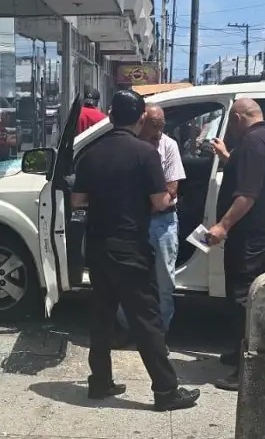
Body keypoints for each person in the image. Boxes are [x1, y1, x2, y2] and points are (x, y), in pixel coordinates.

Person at [71, 90, 200, 412]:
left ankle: (99, 382)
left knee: (102, 316)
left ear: (110, 114)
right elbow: (160, 201)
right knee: (147, 320)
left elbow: (77, 202)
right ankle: (166, 391)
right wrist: (170, 200)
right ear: (141, 117)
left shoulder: (90, 153)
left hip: (98, 245)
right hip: (130, 248)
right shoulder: (145, 153)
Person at [206, 98, 265, 392]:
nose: (231, 127)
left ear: (240, 117)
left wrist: (222, 225)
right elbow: (256, 176)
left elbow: (248, 194)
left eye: (231, 121)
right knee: (253, 296)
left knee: (244, 300)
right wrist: (228, 157)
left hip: (253, 236)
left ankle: (247, 370)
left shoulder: (254, 143)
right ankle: (236, 353)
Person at [114, 104, 185, 343]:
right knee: (129, 278)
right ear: (142, 121)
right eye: (154, 125)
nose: (158, 131)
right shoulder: (131, 146)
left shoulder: (169, 145)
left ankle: (160, 332)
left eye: (161, 126)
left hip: (162, 222)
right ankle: (127, 328)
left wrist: (146, 203)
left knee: (164, 280)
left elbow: (172, 190)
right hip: (135, 222)